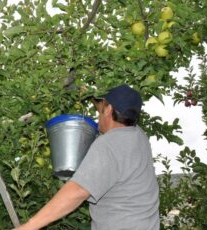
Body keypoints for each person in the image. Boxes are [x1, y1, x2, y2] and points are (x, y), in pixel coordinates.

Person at [13, 84, 160, 230]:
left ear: (109, 110)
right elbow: (115, 115)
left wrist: (28, 227)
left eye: (101, 109)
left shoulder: (108, 144)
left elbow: (77, 191)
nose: (98, 114)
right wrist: (91, 96)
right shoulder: (139, 136)